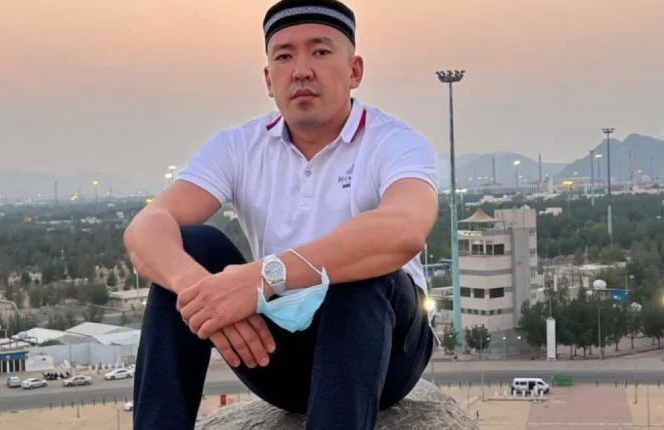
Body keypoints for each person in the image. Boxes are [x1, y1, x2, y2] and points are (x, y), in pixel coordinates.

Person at [124, 0, 440, 429]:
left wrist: (261, 279)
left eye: (320, 51)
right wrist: (201, 292)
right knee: (190, 245)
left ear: (355, 71)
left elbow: (404, 231)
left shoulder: (394, 142)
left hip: (386, 353)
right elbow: (146, 229)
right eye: (285, 56)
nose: (301, 70)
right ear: (268, 79)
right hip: (275, 353)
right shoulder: (239, 146)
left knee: (363, 267)